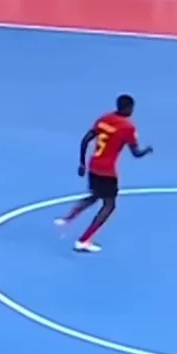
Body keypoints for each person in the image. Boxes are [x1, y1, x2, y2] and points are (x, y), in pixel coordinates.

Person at [55, 94, 153, 252]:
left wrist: (82, 163)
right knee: (109, 205)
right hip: (107, 172)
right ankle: (84, 241)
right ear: (128, 108)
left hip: (94, 166)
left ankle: (67, 218)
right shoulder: (128, 128)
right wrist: (147, 150)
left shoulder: (104, 119)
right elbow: (136, 153)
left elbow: (86, 139)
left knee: (95, 195)